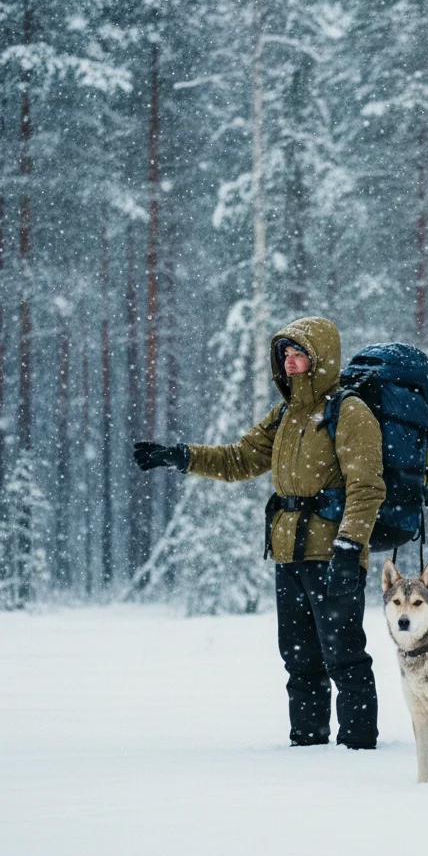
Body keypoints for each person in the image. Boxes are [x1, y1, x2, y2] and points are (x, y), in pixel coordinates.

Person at [133, 317, 386, 748]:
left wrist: (349, 546)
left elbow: (367, 487)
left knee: (343, 654)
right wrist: (180, 456)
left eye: (299, 355)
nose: (289, 363)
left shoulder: (348, 412)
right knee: (299, 657)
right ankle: (306, 743)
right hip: (289, 552)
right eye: (285, 355)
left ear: (320, 358)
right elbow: (239, 460)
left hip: (332, 553)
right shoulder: (287, 414)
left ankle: (359, 746)